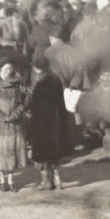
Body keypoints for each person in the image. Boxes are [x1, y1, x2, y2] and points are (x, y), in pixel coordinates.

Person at [26, 53, 73, 190]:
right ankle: (58, 181)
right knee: (54, 153)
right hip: (56, 121)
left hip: (42, 123)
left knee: (42, 154)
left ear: (36, 67)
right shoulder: (56, 80)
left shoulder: (39, 82)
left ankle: (45, 182)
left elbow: (34, 104)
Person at [0, 61, 30, 192]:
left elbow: (24, 100)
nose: (8, 71)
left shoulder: (18, 82)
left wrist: (15, 115)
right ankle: (1, 180)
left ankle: (11, 181)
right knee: (0, 152)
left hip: (14, 123)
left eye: (10, 68)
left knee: (11, 151)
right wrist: (1, 116)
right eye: (5, 68)